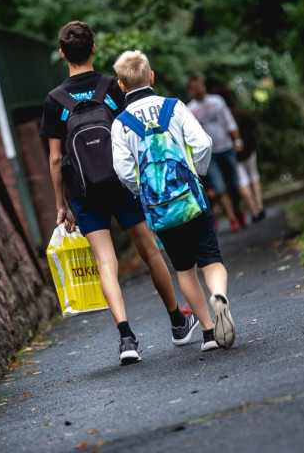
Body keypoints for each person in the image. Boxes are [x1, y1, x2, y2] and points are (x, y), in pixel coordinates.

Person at [40, 21, 195, 365]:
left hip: (83, 190)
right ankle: (177, 321)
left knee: (105, 262)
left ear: (63, 53)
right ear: (94, 48)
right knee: (150, 251)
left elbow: (54, 159)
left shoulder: (55, 101)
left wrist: (61, 205)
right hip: (122, 183)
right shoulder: (113, 87)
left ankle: (126, 338)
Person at [111, 50, 236, 352]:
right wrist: (198, 174)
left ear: (121, 85)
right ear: (151, 77)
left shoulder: (120, 123)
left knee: (184, 268)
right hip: (192, 199)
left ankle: (207, 332)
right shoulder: (174, 107)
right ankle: (218, 295)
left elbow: (124, 172)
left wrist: (145, 192)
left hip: (161, 210)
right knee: (211, 258)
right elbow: (203, 143)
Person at [186, 73, 245, 232]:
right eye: (194, 87)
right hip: (209, 155)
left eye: (200, 85)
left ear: (204, 85)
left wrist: (237, 141)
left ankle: (238, 211)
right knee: (219, 188)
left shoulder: (217, 101)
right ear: (190, 91)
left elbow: (229, 122)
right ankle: (232, 219)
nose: (198, 89)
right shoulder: (189, 110)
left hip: (226, 148)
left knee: (235, 185)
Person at [213, 86, 266, 222]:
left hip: (233, 152)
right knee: (254, 177)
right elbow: (254, 123)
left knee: (243, 182)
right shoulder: (239, 112)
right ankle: (259, 206)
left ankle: (254, 211)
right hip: (248, 148)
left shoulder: (220, 116)